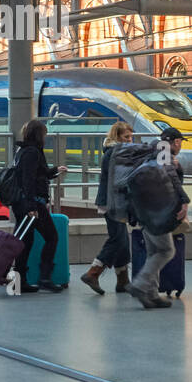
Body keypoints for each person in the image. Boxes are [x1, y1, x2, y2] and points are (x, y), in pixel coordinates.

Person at [126, 127, 189, 309]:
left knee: (154, 252)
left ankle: (151, 294)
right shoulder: (165, 154)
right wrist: (185, 200)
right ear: (176, 142)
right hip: (157, 212)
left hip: (143, 210)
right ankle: (139, 285)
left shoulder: (151, 151)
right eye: (180, 143)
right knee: (166, 251)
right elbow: (171, 177)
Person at [10, 119, 67, 294]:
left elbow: (39, 174)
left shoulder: (23, 151)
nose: (46, 137)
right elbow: (28, 180)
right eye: (44, 134)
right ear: (39, 135)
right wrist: (31, 206)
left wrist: (56, 170)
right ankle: (45, 277)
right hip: (32, 203)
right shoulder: (32, 152)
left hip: (23, 202)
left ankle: (19, 281)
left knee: (25, 241)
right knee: (51, 237)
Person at [82, 120, 133, 294]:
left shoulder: (114, 152)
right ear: (117, 137)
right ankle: (93, 272)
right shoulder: (114, 153)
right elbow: (119, 179)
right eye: (126, 137)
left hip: (113, 201)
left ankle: (123, 280)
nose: (129, 140)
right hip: (112, 202)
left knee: (123, 240)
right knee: (117, 239)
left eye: (130, 137)